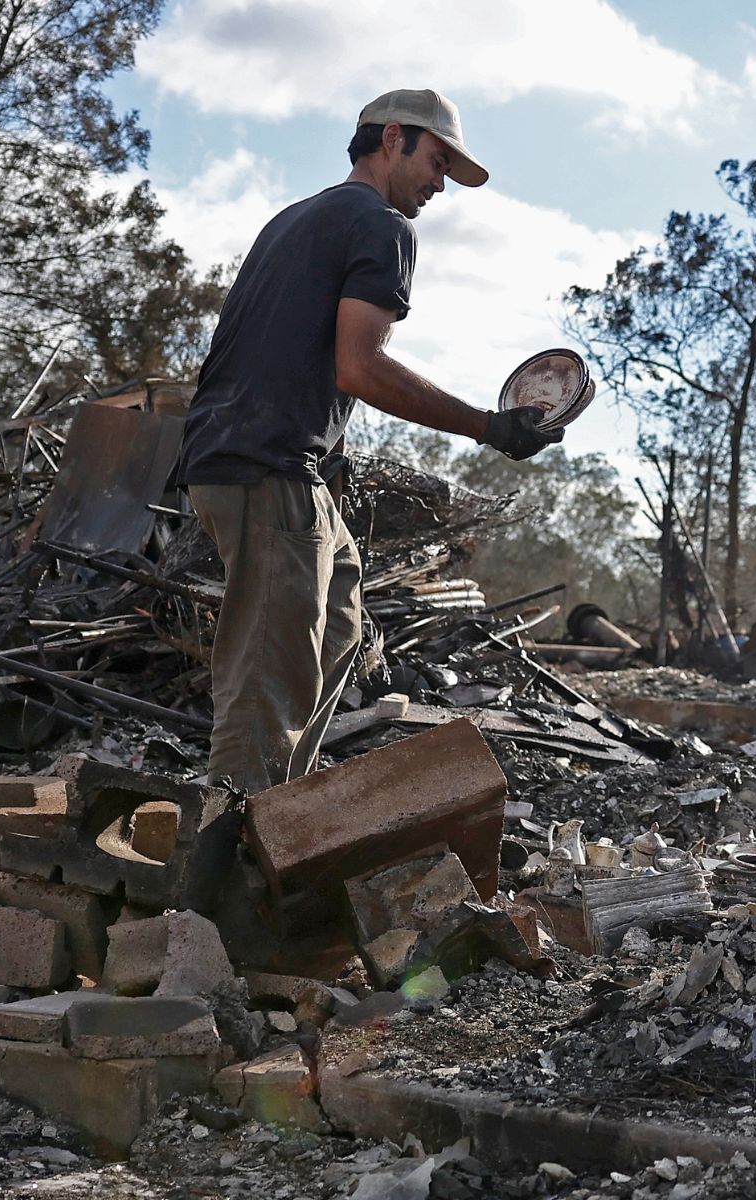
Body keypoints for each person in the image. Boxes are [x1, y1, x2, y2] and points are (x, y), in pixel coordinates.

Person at [179, 88, 560, 793]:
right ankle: (229, 852)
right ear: (393, 138)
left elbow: (276, 349)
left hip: (256, 459)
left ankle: (283, 802)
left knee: (338, 616)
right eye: (437, 161)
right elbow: (360, 364)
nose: (440, 183)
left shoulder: (296, 219)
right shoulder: (381, 224)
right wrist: (489, 427)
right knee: (267, 675)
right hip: (266, 467)